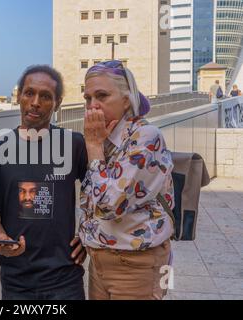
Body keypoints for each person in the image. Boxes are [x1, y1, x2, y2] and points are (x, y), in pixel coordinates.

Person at [0, 65, 88, 300]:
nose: (35, 102)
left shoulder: (74, 145)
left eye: (46, 96)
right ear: (19, 96)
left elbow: (101, 192)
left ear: (57, 103)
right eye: (29, 93)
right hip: (17, 280)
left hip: (66, 278)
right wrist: (1, 237)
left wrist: (89, 235)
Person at [79, 60, 175, 300]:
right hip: (100, 260)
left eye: (102, 96)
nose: (93, 106)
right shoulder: (105, 138)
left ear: (126, 100)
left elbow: (109, 205)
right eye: (88, 98)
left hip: (136, 265)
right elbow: (88, 199)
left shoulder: (145, 137)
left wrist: (93, 145)